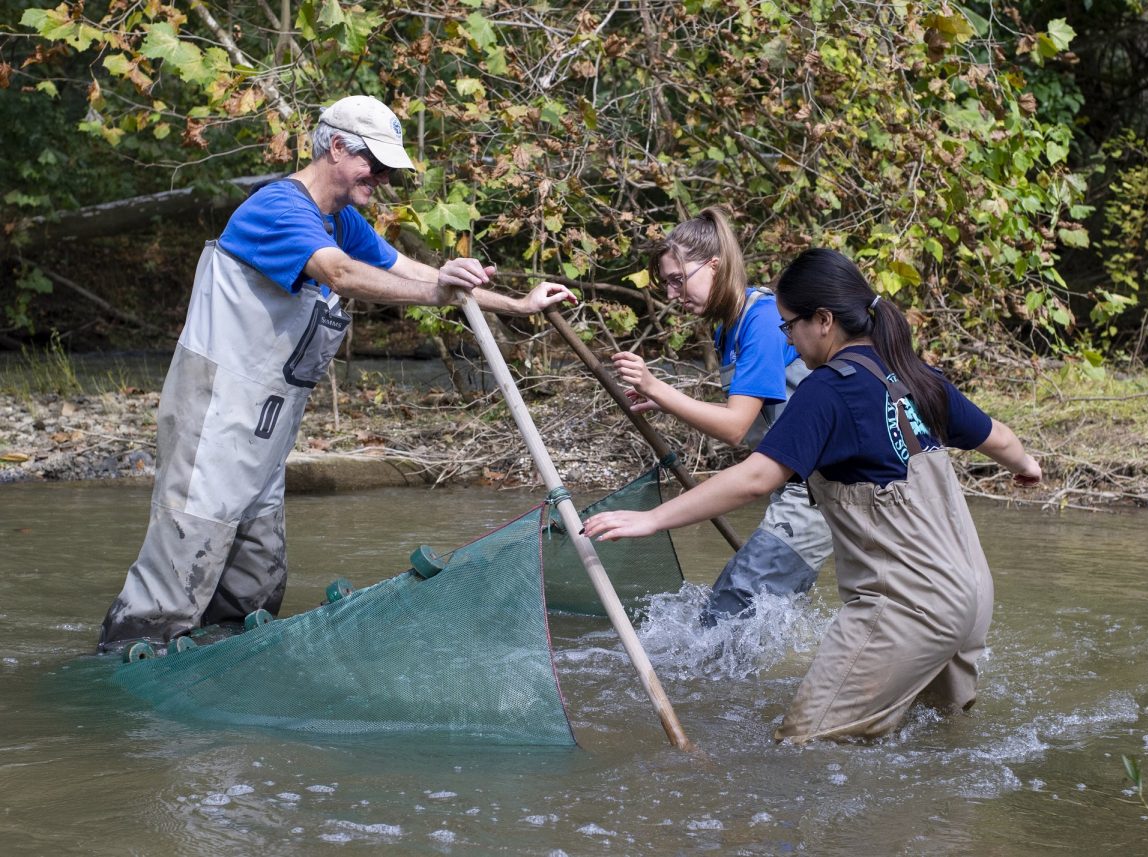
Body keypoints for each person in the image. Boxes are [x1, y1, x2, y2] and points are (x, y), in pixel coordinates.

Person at [98, 95, 575, 652]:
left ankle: (219, 661)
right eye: (375, 164)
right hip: (215, 410)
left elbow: (401, 267)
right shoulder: (279, 208)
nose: (384, 178)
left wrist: (513, 304)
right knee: (183, 557)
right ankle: (121, 669)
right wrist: (436, 291)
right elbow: (343, 274)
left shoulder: (340, 221)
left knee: (256, 575)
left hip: (264, 427)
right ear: (338, 147)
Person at [584, 248, 1041, 743]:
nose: (788, 339)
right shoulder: (914, 374)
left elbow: (756, 479)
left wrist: (653, 519)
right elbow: (1000, 439)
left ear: (823, 321)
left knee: (804, 749)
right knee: (938, 740)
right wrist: (1027, 468)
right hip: (971, 594)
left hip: (910, 606)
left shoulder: (827, 390)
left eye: (789, 326)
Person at [609, 207, 831, 622]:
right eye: (667, 284)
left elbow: (735, 427)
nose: (673, 295)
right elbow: (756, 413)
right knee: (747, 611)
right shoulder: (729, 327)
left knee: (731, 605)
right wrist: (664, 400)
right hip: (794, 482)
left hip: (819, 490)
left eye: (678, 279)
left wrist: (657, 386)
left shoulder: (762, 321)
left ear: (715, 265)